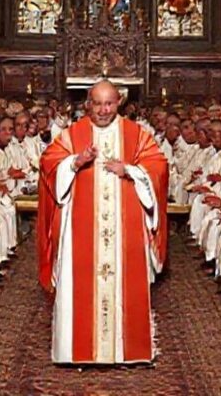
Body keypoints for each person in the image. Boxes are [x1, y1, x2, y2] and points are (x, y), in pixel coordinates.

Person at [38, 80, 169, 364]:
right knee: (80, 282)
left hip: (127, 226)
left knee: (124, 282)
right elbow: (48, 162)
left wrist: (131, 171)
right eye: (97, 103)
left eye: (109, 103)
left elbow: (158, 167)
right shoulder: (72, 135)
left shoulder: (137, 134)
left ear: (119, 102)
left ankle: (126, 351)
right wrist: (74, 162)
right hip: (80, 229)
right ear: (88, 103)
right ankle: (76, 351)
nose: (103, 110)